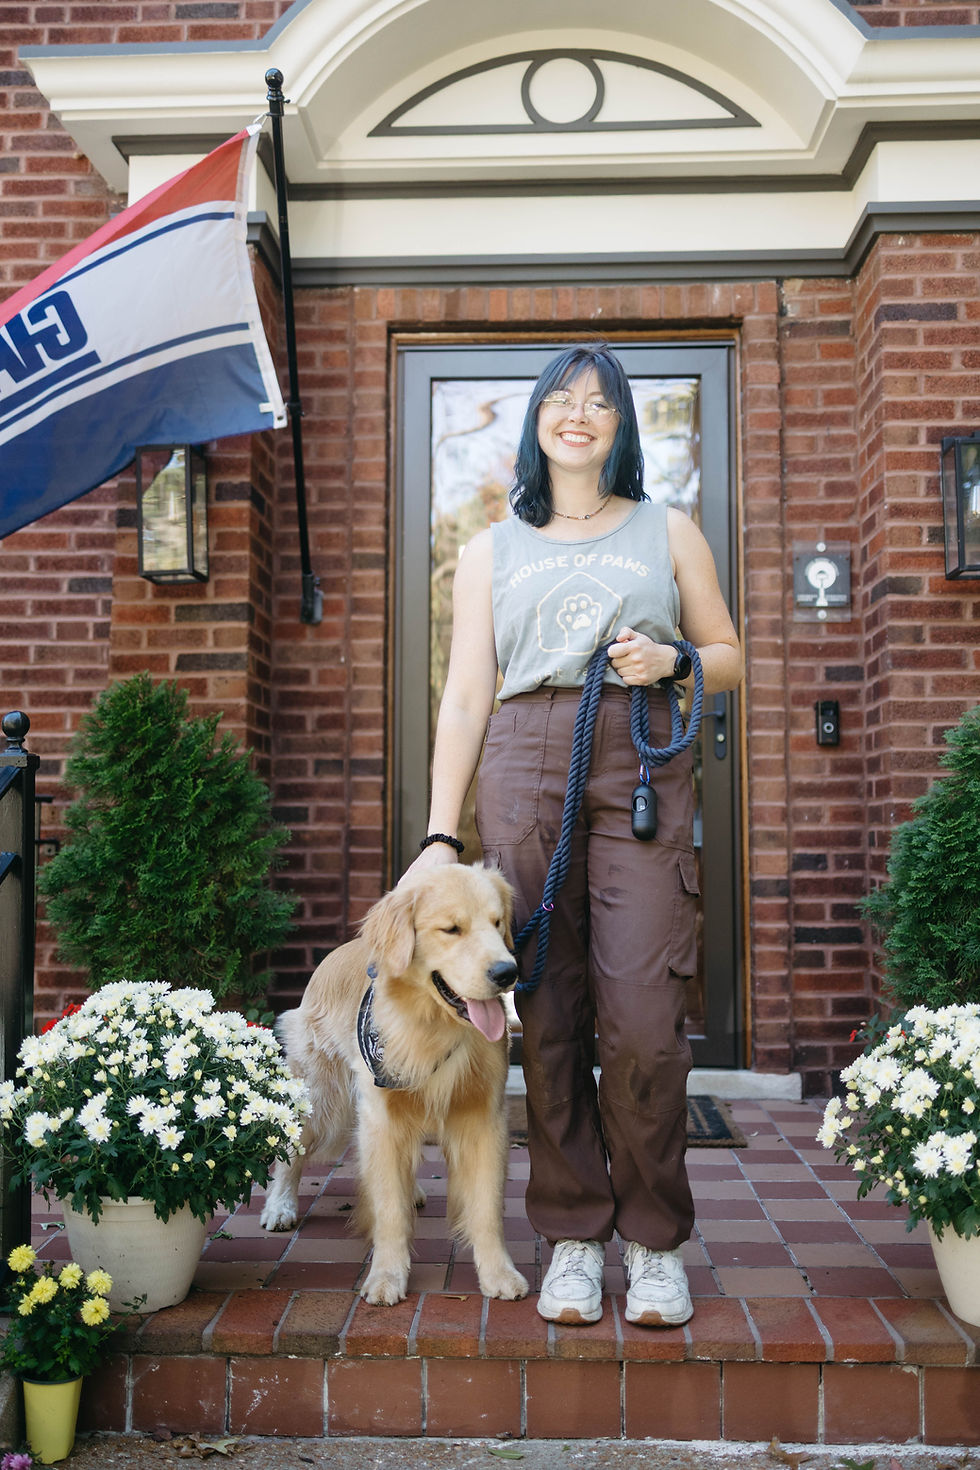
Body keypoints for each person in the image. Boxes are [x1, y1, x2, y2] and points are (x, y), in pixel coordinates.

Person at [406, 344, 742, 1327]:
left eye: (599, 403)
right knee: (542, 1015)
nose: (579, 416)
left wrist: (671, 656)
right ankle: (570, 1234)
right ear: (538, 423)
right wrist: (438, 831)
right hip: (522, 758)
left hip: (636, 758)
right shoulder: (488, 548)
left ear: (619, 426)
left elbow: (727, 658)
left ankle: (651, 1243)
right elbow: (465, 695)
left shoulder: (664, 528)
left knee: (642, 1017)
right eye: (562, 400)